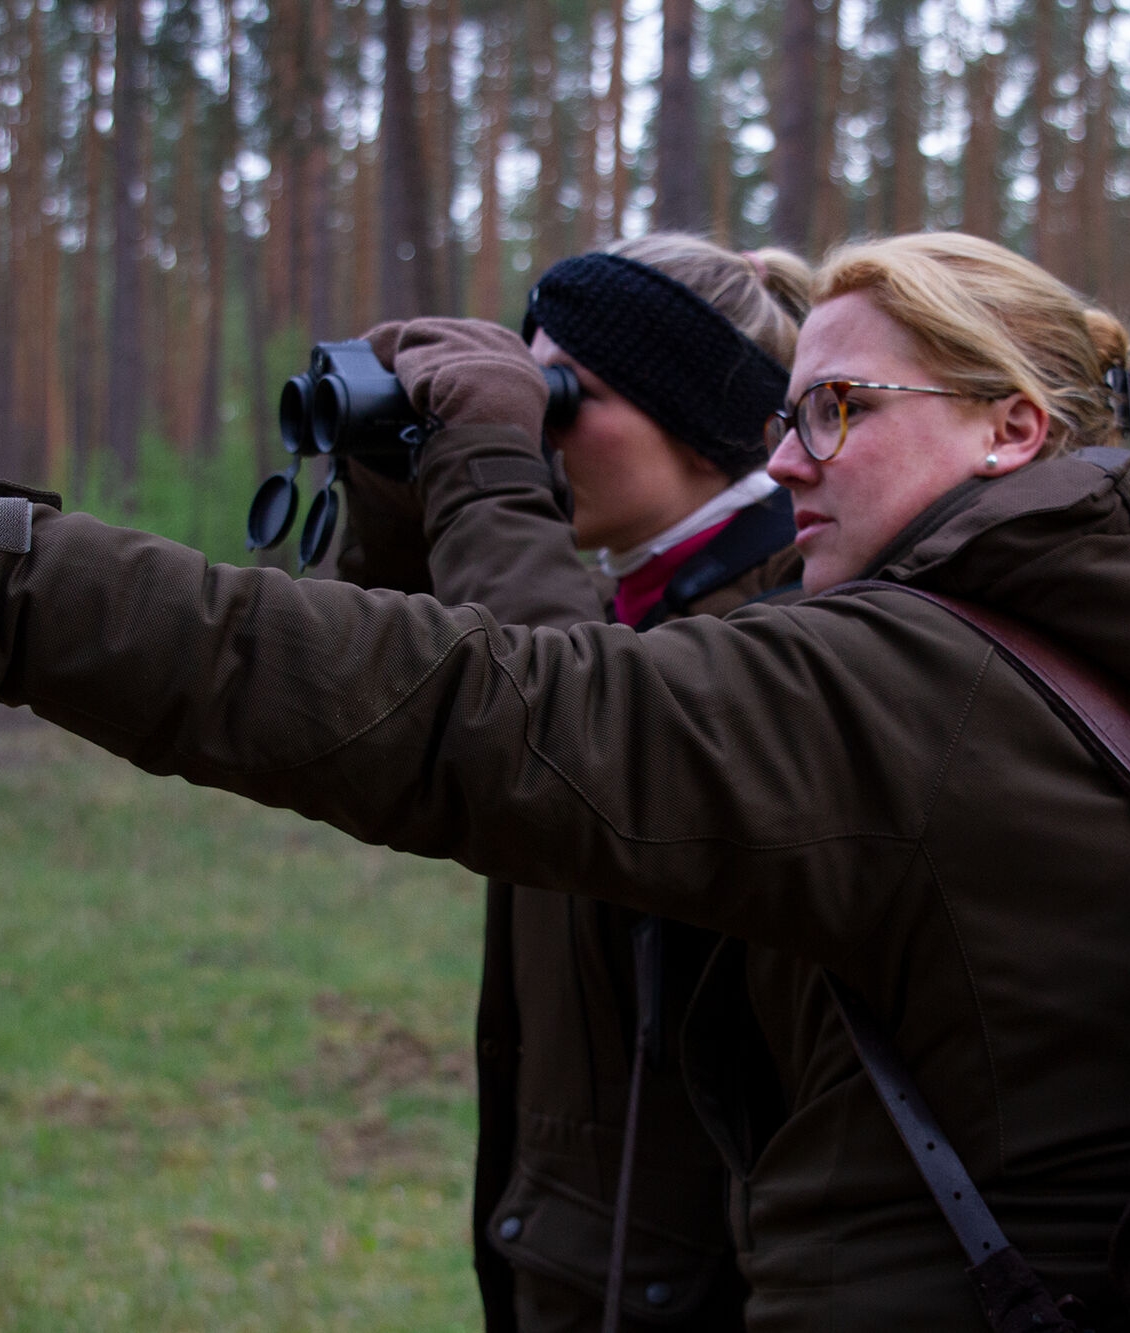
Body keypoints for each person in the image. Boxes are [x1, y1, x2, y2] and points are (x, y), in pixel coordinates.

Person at [0, 231, 1130, 1330]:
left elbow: (482, 709)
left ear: (1010, 427)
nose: (790, 457)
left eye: (840, 411)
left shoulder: (906, 682)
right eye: (789, 411)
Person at [330, 233, 810, 1332]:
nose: (532, 429)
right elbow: (408, 672)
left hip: (710, 1273)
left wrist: (488, 457)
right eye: (524, 382)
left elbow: (553, 725)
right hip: (595, 1246)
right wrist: (402, 468)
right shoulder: (630, 603)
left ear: (699, 424)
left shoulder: (779, 628)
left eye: (564, 396)